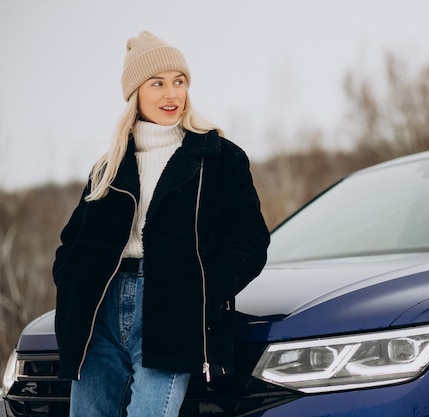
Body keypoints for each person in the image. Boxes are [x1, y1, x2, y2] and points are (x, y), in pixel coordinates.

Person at [52, 31, 270, 417]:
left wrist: (202, 291)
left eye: (179, 82)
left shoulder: (218, 157)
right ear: (136, 93)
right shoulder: (108, 167)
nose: (172, 94)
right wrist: (72, 288)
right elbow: (71, 245)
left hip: (172, 310)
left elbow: (249, 241)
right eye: (157, 84)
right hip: (99, 316)